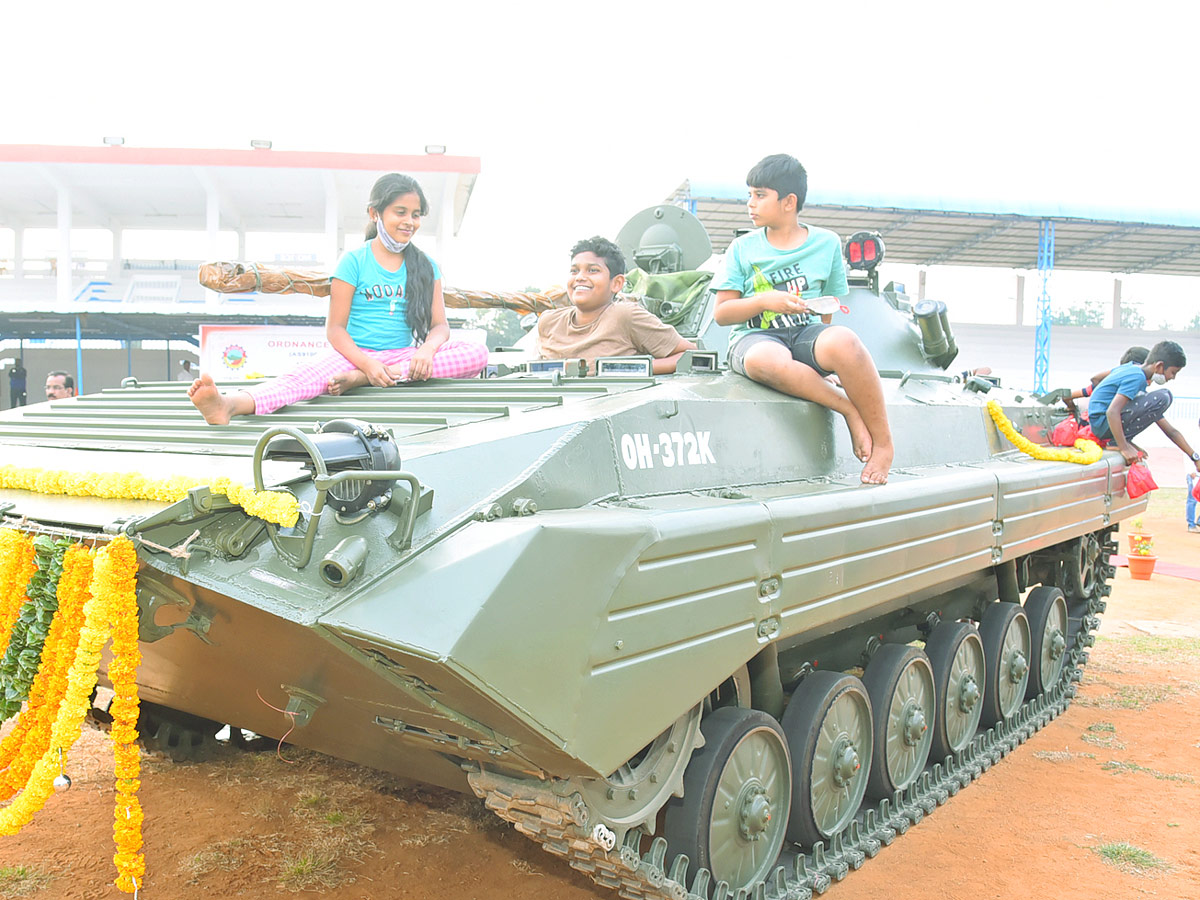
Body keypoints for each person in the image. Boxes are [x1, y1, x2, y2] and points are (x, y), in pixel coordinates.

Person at [189, 173, 488, 424]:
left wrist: (427, 350)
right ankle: (228, 405)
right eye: (400, 212)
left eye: (416, 214)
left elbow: (440, 326)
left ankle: (360, 379)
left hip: (404, 357)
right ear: (375, 213)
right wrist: (367, 364)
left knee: (477, 352)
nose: (409, 221)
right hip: (353, 355)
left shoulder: (427, 266)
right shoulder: (353, 262)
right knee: (302, 380)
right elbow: (335, 330)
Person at [711, 153, 894, 484]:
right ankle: (848, 410)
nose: (749, 204)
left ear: (788, 201)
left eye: (760, 195)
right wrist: (765, 300)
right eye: (749, 194)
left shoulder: (826, 243)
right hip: (755, 338)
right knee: (766, 361)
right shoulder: (741, 248)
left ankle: (883, 444)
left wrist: (822, 361)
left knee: (846, 342)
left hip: (804, 334)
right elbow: (723, 313)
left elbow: (830, 307)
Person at [537, 237, 696, 374]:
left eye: (593, 270)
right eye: (574, 271)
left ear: (616, 283)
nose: (580, 277)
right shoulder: (549, 322)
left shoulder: (625, 316)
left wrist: (633, 369)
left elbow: (691, 354)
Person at [1087, 341, 1200, 478]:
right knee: (1164, 396)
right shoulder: (1137, 377)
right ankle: (1118, 441)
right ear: (1159, 366)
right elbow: (1112, 412)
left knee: (1156, 399)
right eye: (1173, 372)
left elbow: (1171, 431)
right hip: (1103, 423)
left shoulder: (1130, 370)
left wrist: (1194, 457)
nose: (1172, 378)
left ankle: (1122, 440)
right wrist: (1124, 447)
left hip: (1101, 423)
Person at [1063, 345, 1148, 418]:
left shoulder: (1107, 383)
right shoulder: (1111, 385)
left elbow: (1067, 397)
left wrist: (1072, 409)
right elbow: (1067, 396)